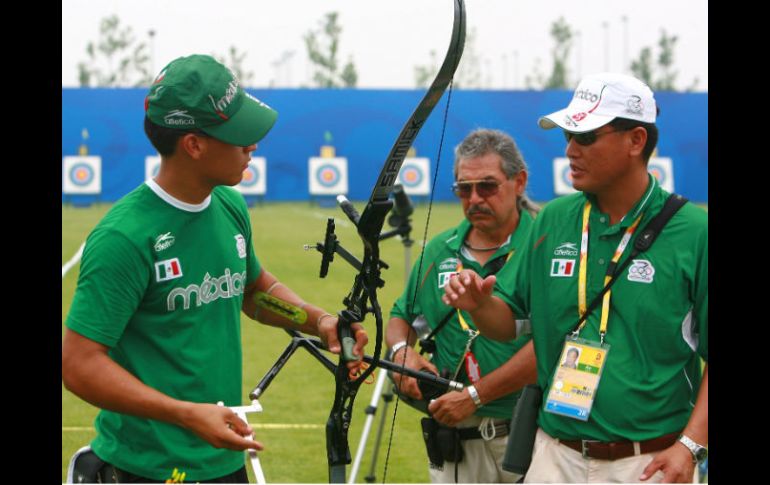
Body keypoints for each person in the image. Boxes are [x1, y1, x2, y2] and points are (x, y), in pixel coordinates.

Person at [61, 54, 368, 483]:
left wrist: (320, 322)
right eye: (238, 135)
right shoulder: (125, 236)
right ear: (194, 145)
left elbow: (252, 290)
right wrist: (185, 414)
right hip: (145, 468)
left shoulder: (228, 204)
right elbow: (78, 364)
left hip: (222, 457)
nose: (252, 146)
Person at [443, 72, 707, 483]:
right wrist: (479, 305)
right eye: (568, 136)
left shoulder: (694, 231)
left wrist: (689, 446)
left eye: (585, 137)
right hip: (555, 454)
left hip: (649, 461)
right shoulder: (554, 219)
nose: (569, 150)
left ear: (636, 140)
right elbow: (507, 324)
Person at [386, 128, 539, 483]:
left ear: (519, 182)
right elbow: (402, 317)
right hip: (456, 437)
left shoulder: (545, 245)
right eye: (464, 189)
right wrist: (401, 354)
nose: (474, 199)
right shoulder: (440, 249)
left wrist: (475, 396)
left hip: (530, 433)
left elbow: (554, 343)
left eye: (487, 186)